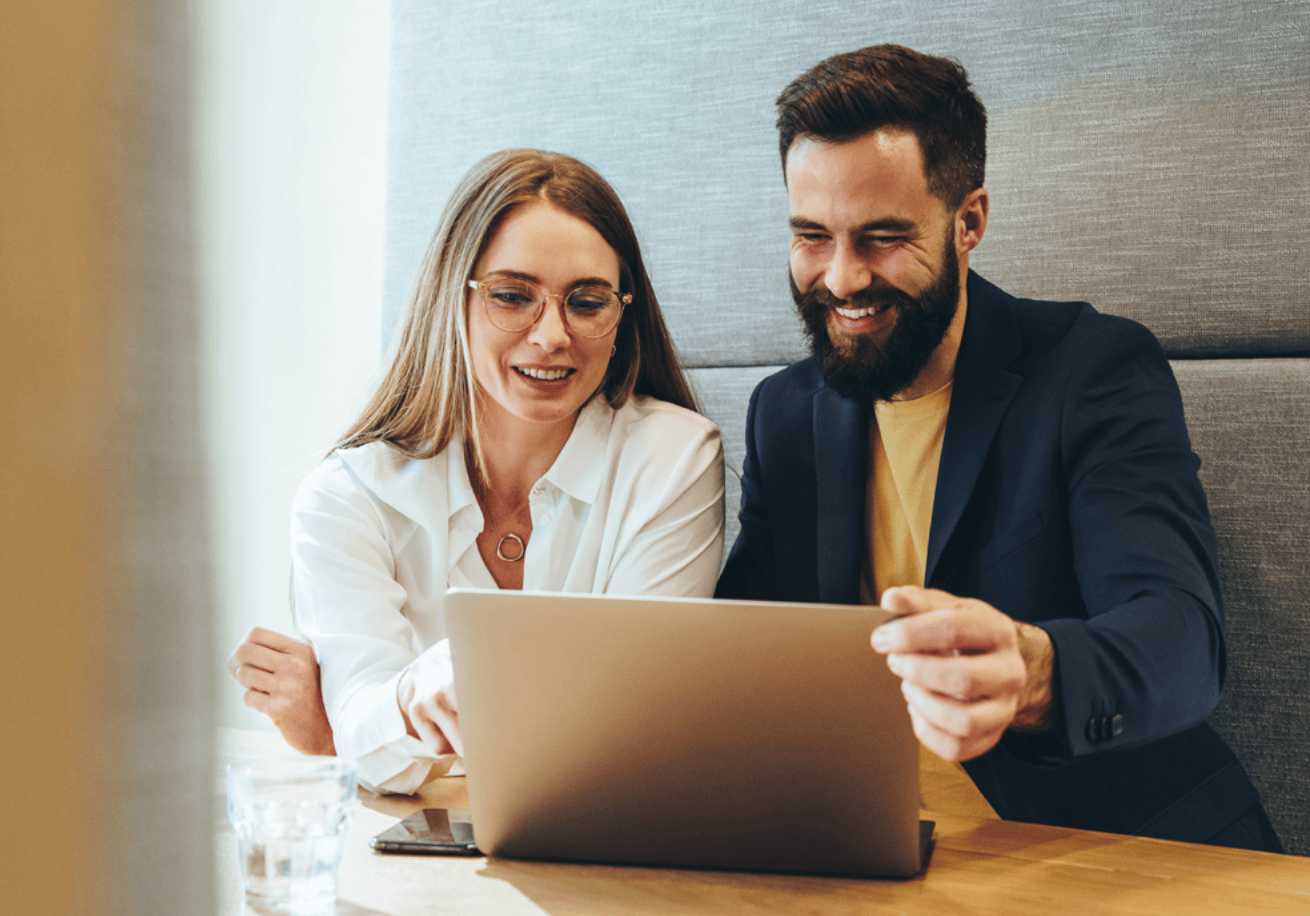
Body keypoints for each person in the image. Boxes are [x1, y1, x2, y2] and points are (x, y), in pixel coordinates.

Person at [715, 45, 1283, 852]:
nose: (841, 278)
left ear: (969, 221)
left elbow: (1184, 638)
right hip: (895, 851)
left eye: (881, 238)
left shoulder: (1093, 369)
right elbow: (736, 653)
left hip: (1122, 849)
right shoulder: (784, 412)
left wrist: (1034, 669)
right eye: (812, 236)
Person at [229, 149, 724, 792]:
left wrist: (359, 733)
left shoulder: (674, 458)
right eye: (513, 296)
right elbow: (361, 730)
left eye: (587, 301)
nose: (550, 335)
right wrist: (399, 703)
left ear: (621, 313)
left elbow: (640, 729)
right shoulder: (344, 497)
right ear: (450, 297)